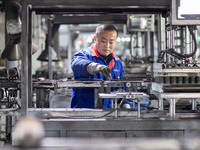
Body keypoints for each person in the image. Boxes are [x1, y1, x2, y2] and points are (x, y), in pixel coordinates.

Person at [70, 24, 125, 108]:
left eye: (111, 42)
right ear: (95, 39)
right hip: (84, 114)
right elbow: (76, 65)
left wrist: (126, 104)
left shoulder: (117, 62)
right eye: (103, 41)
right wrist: (94, 67)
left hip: (109, 114)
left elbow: (123, 87)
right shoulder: (84, 55)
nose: (107, 45)